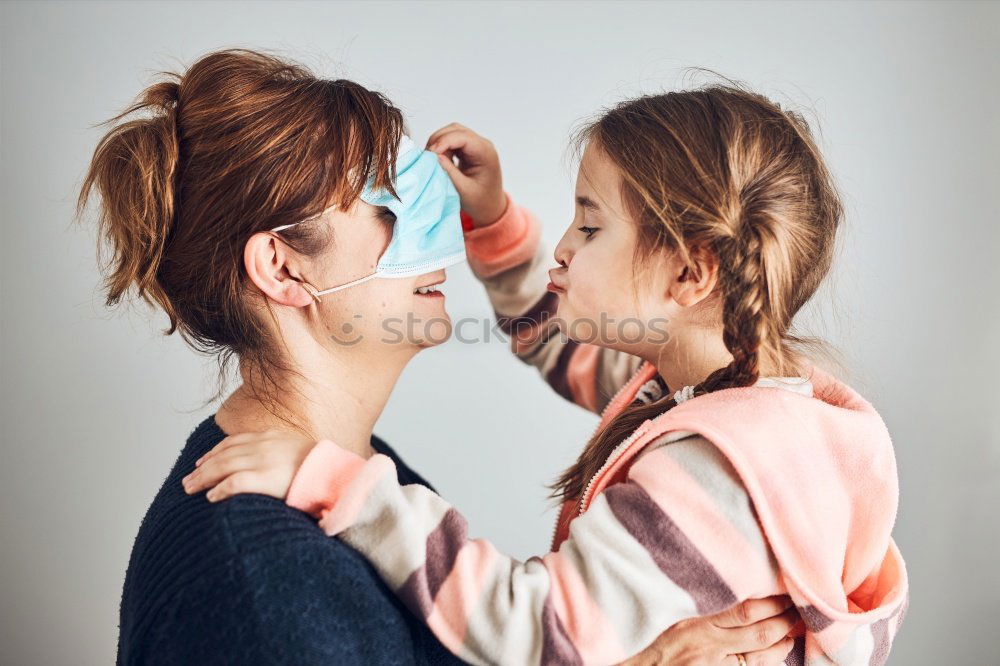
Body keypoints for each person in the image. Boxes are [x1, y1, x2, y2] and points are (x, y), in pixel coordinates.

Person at [81, 49, 795, 665]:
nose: (435, 221)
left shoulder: (359, 474)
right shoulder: (266, 587)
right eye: (384, 203)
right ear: (282, 267)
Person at [186, 86, 909, 665]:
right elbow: (564, 351)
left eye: (589, 227)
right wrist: (495, 221)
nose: (564, 245)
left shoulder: (718, 468)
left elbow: (535, 629)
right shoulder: (722, 395)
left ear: (690, 272)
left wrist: (342, 485)